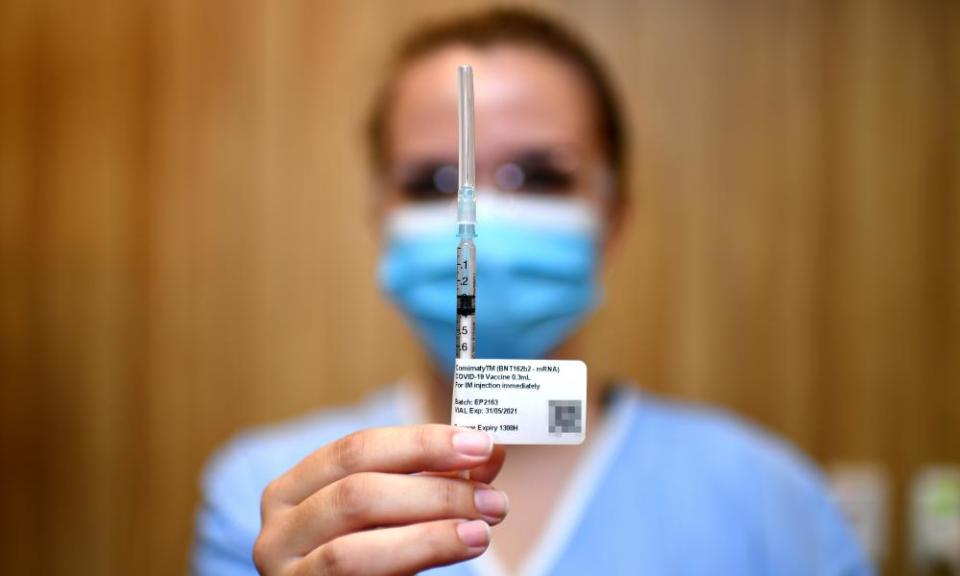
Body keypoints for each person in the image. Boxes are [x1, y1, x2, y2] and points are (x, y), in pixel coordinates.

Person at [193, 8, 872, 576]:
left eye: (538, 177)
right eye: (434, 182)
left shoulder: (770, 504)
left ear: (612, 218)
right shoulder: (274, 499)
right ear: (380, 219)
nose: (480, 219)